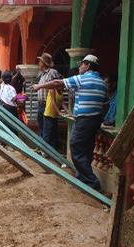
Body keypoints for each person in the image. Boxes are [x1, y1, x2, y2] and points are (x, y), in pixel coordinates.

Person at [31, 54, 108, 191]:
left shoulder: (83, 78)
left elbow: (57, 83)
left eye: (82, 64)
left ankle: (91, 182)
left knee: (75, 146)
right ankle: (82, 177)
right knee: (87, 149)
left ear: (88, 65)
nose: (79, 67)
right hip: (95, 119)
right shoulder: (101, 82)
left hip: (85, 119)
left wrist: (39, 86)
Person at [36, 53, 62, 139]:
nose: (39, 63)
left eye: (40, 61)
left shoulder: (52, 72)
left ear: (44, 63)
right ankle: (41, 148)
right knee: (42, 128)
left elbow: (56, 86)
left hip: (48, 105)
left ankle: (47, 150)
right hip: (41, 104)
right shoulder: (42, 74)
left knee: (49, 130)